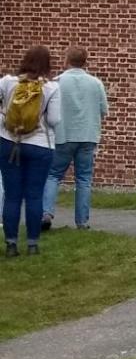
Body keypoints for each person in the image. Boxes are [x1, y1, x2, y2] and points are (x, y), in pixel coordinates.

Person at [2, 47, 63, 257]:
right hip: (40, 145)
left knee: (12, 195)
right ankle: (32, 244)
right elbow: (54, 120)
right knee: (34, 195)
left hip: (9, 142)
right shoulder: (52, 87)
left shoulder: (8, 82)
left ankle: (10, 244)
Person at [42, 48, 107, 231]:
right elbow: (103, 110)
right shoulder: (96, 83)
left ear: (66, 60)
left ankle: (46, 212)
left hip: (63, 135)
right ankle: (82, 222)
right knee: (84, 179)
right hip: (87, 135)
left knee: (53, 175)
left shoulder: (57, 82)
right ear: (86, 61)